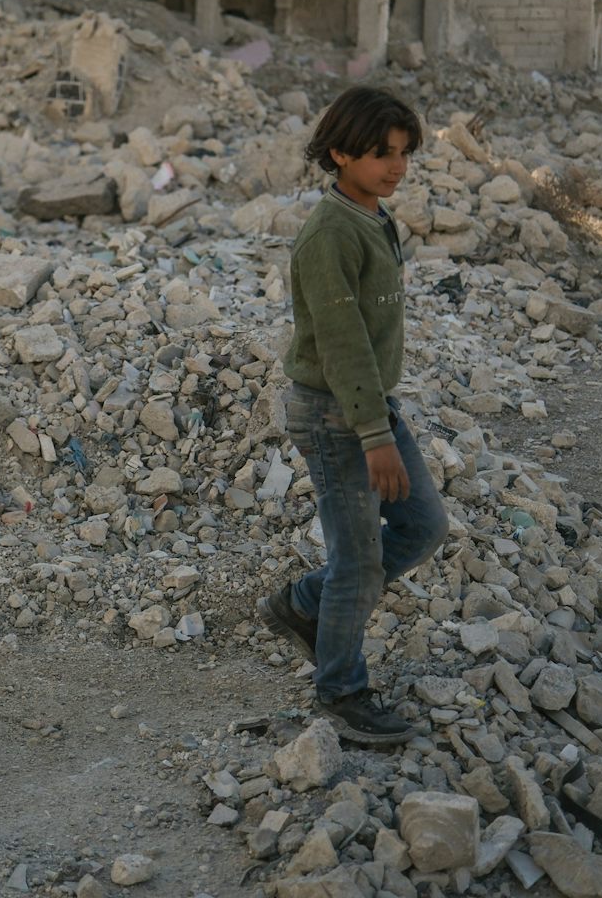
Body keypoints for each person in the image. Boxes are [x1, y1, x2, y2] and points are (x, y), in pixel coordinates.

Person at [258, 86, 449, 745]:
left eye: (402, 153)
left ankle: (306, 604)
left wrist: (380, 420)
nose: (395, 167)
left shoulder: (371, 212)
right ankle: (341, 690)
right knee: (360, 561)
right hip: (335, 414)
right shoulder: (329, 234)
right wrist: (375, 438)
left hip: (369, 405)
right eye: (378, 154)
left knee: (422, 525)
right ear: (339, 153)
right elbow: (340, 344)